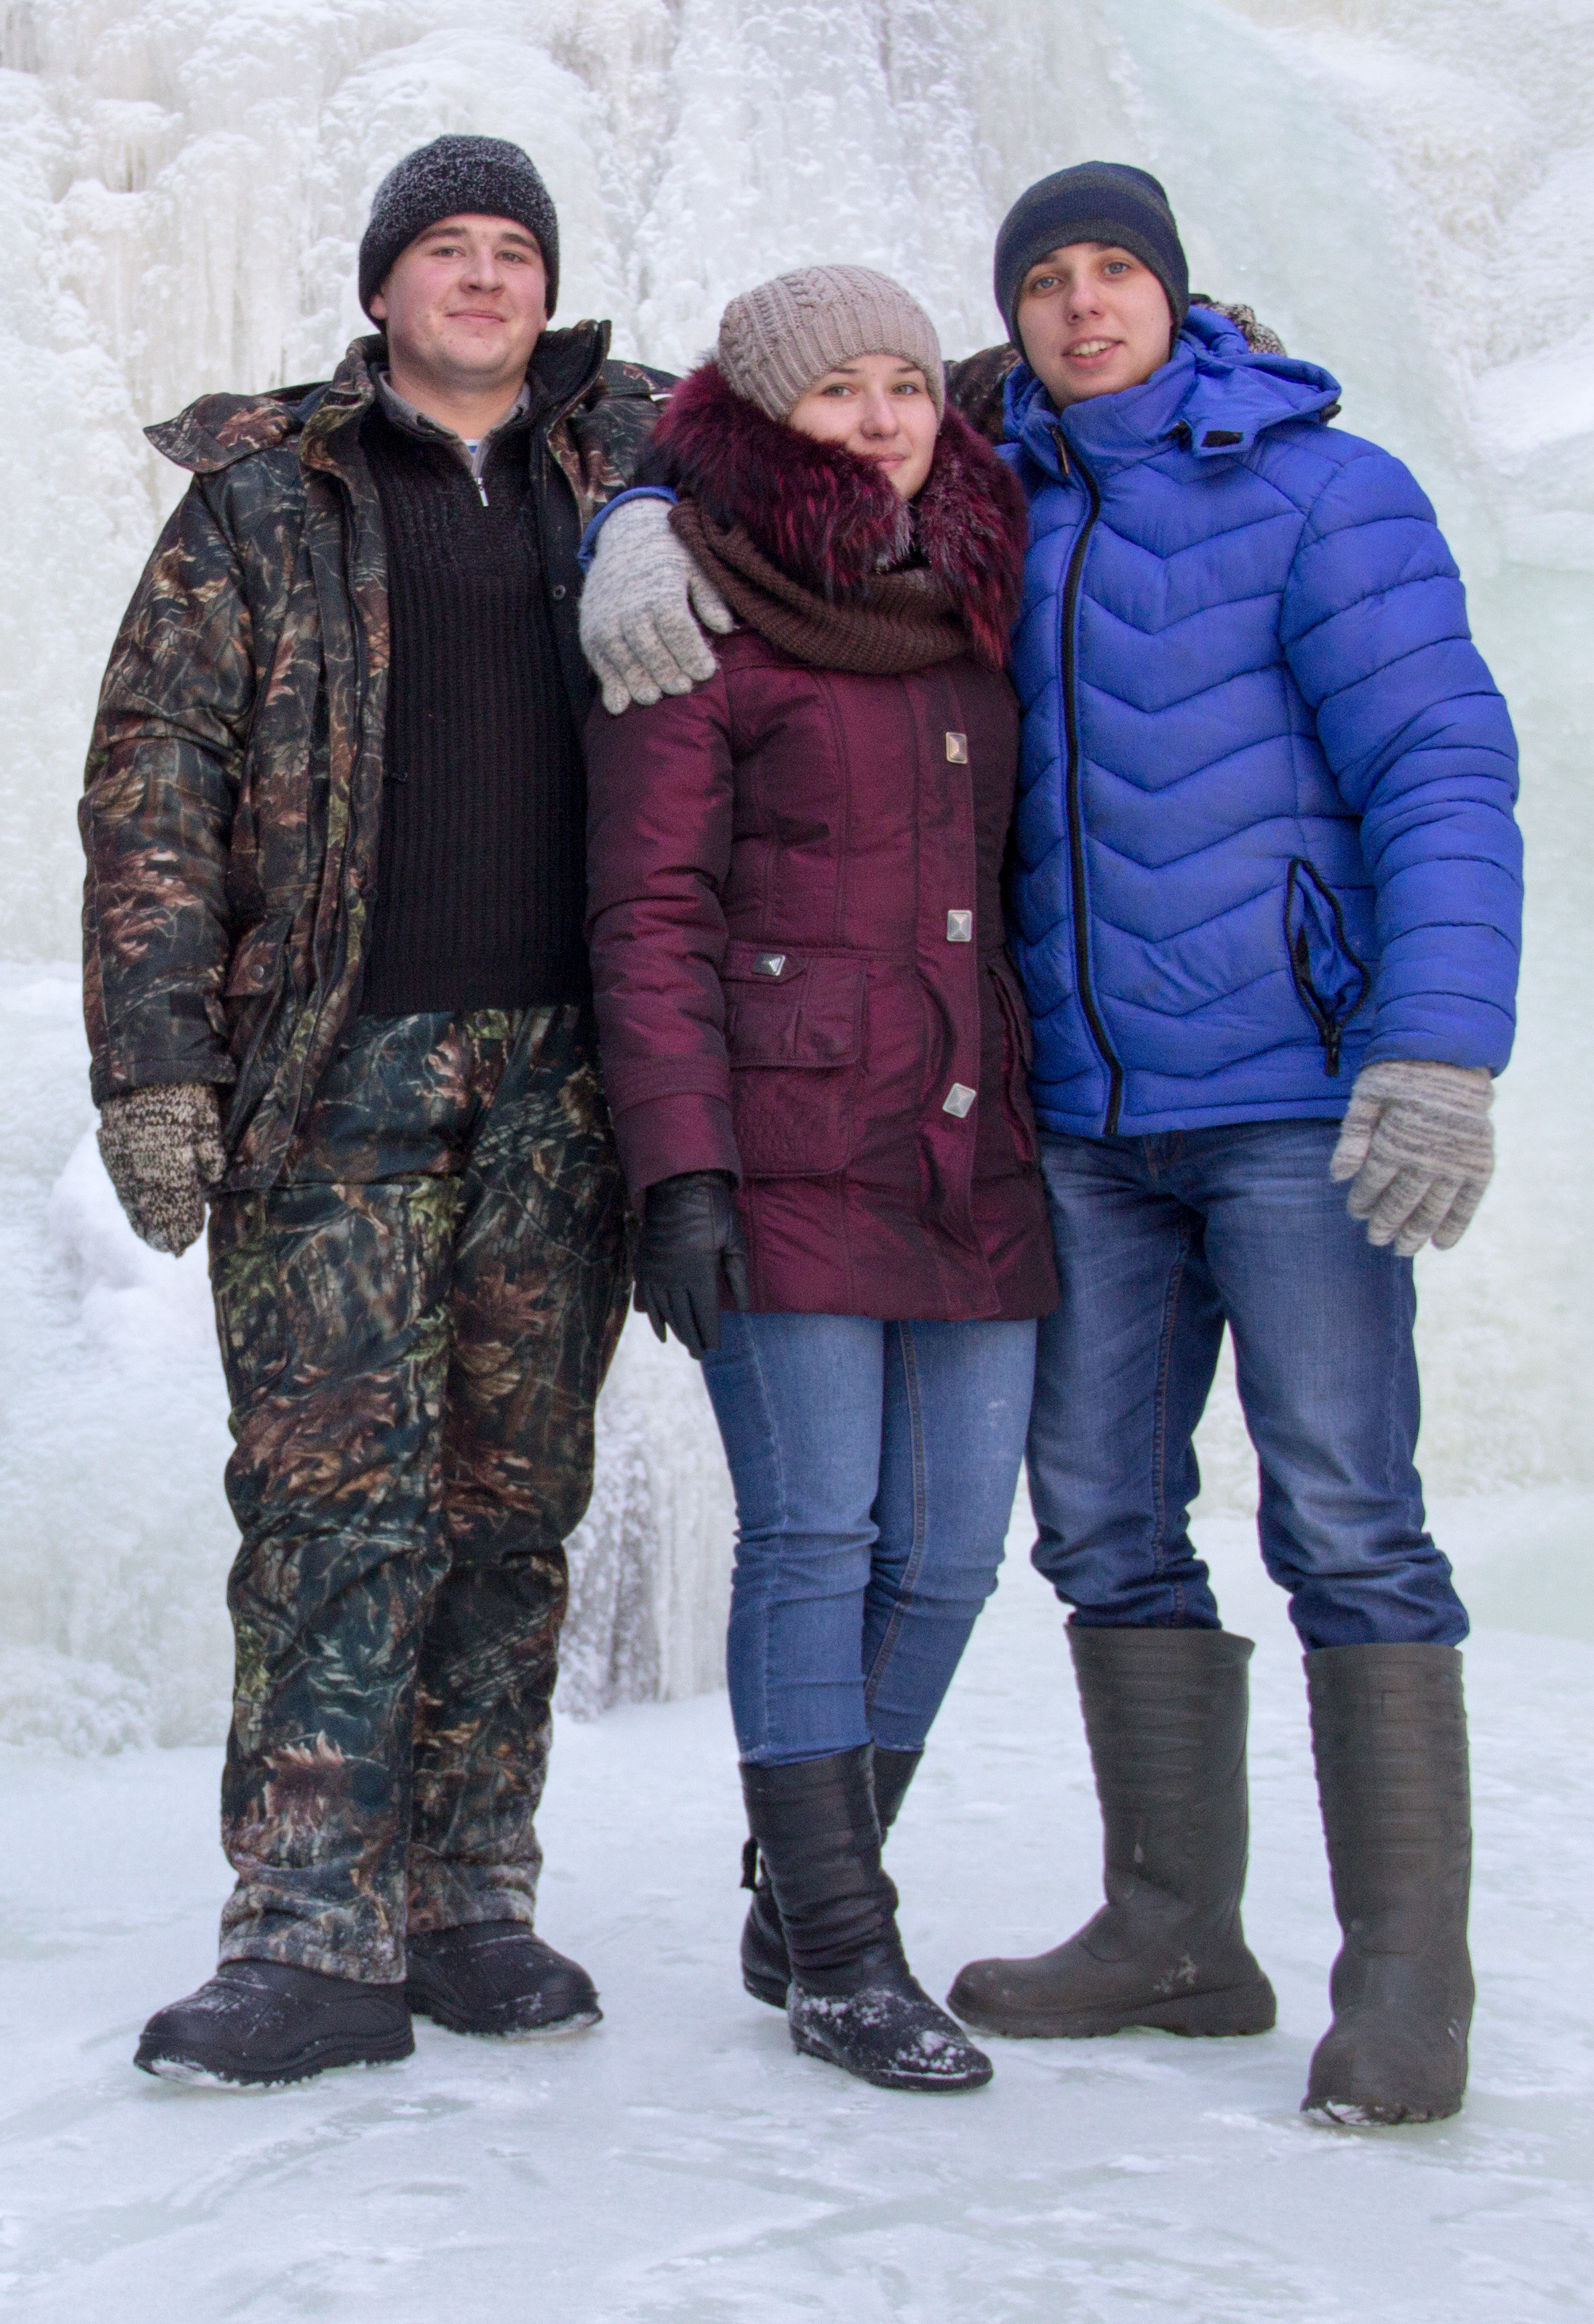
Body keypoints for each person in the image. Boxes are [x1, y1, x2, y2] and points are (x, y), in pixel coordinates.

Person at [581, 162, 1521, 2128]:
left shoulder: (1327, 492)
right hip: (1068, 1119)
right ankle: (1175, 1929)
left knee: (1347, 1516)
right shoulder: (1001, 485)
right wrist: (635, 524)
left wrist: (1439, 1043)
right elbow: (771, 445)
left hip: (1287, 1095)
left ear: (1179, 291)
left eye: (1117, 272)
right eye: (1047, 281)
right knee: (1095, 1521)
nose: (1085, 306)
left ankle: (1407, 1982)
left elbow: (1440, 759)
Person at [79, 134, 669, 2087]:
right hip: (336, 1068)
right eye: (447, 248)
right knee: (336, 1505)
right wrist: (158, 1065)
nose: (484, 277)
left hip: (568, 1080)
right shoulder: (266, 495)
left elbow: (889, 419)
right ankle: (308, 1929)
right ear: (382, 288)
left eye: (515, 251)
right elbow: (154, 782)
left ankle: (468, 1899)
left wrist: (1173, 346)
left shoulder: (647, 460)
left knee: (512, 1506)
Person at [584, 265, 1051, 2096]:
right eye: (836, 388)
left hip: (969, 1139)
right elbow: (651, 913)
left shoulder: (977, 585)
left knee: (951, 1554)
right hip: (782, 1144)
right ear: (767, 415)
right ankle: (846, 1953)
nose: (879, 417)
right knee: (817, 1538)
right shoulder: (698, 606)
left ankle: (800, 1895)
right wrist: (680, 1172)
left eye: (903, 385)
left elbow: (1106, 356)